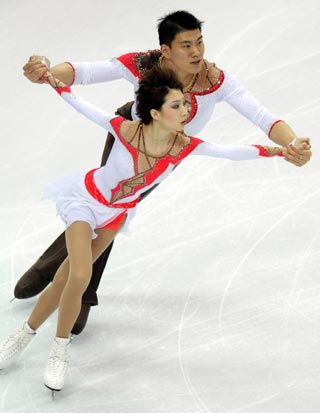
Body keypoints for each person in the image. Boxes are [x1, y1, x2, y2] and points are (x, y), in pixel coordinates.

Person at [16, 10, 312, 335]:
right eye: (186, 45)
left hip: (165, 158)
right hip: (126, 139)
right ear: (166, 50)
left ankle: (48, 269)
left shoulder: (216, 81)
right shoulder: (145, 64)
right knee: (105, 206)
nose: (197, 52)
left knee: (107, 211)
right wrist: (45, 70)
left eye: (199, 42)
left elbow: (262, 117)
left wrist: (293, 143)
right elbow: (84, 72)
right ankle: (79, 292)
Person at [0, 63, 288, 393]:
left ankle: (24, 333)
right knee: (80, 275)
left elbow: (229, 153)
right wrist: (53, 80)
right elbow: (81, 105)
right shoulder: (125, 130)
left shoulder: (184, 146)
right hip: (84, 200)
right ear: (155, 112)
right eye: (177, 105)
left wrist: (276, 151)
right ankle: (59, 349)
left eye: (186, 103)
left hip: (115, 213)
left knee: (66, 277)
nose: (186, 110)